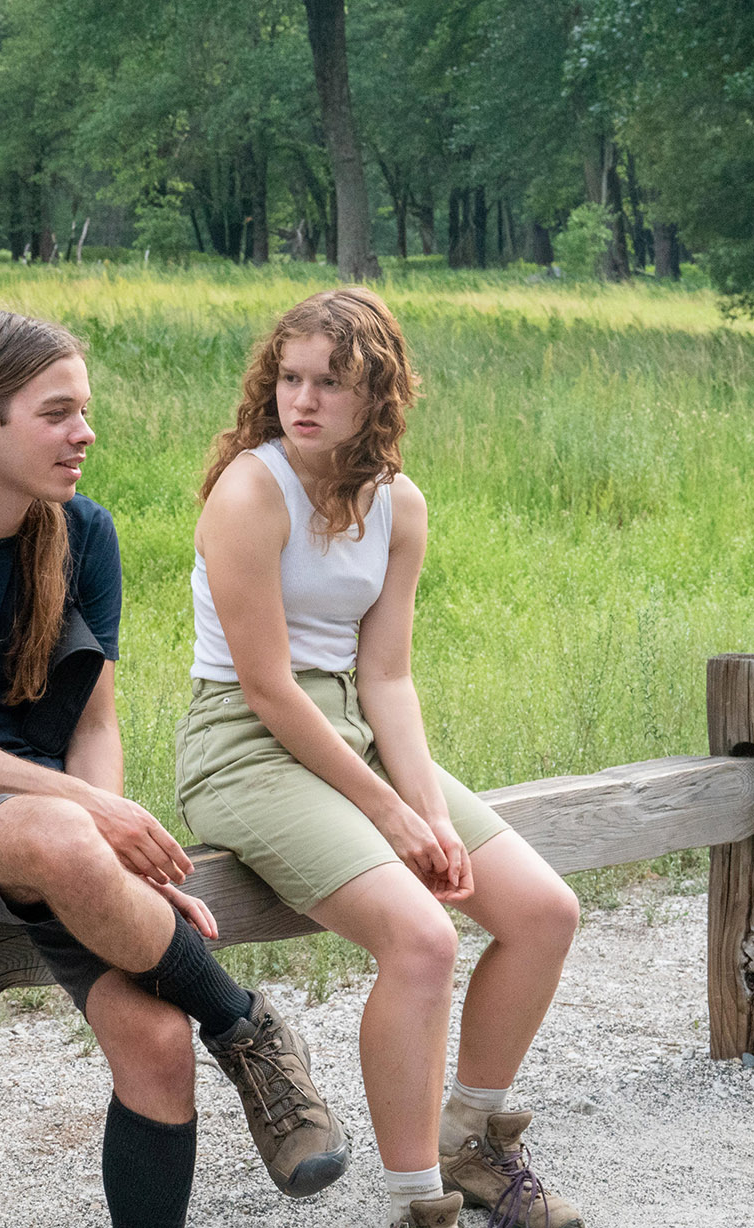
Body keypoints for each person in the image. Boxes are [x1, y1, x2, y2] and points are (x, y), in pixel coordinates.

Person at [0, 310, 347, 1228]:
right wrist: (90, 824)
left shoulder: (85, 536)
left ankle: (206, 1031)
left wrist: (106, 843)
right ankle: (242, 1023)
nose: (86, 434)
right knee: (64, 832)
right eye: (59, 413)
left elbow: (93, 721)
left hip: (52, 827)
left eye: (86, 411)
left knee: (156, 1044)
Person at [184, 288, 581, 1228]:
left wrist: (430, 812)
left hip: (354, 728)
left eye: (331, 380)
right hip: (245, 744)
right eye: (290, 377)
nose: (304, 398)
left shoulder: (399, 503)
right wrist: (394, 815)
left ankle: (470, 1141)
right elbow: (272, 690)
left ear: (379, 395)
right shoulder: (252, 489)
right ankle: (418, 1201)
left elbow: (389, 678)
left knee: (542, 911)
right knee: (424, 937)